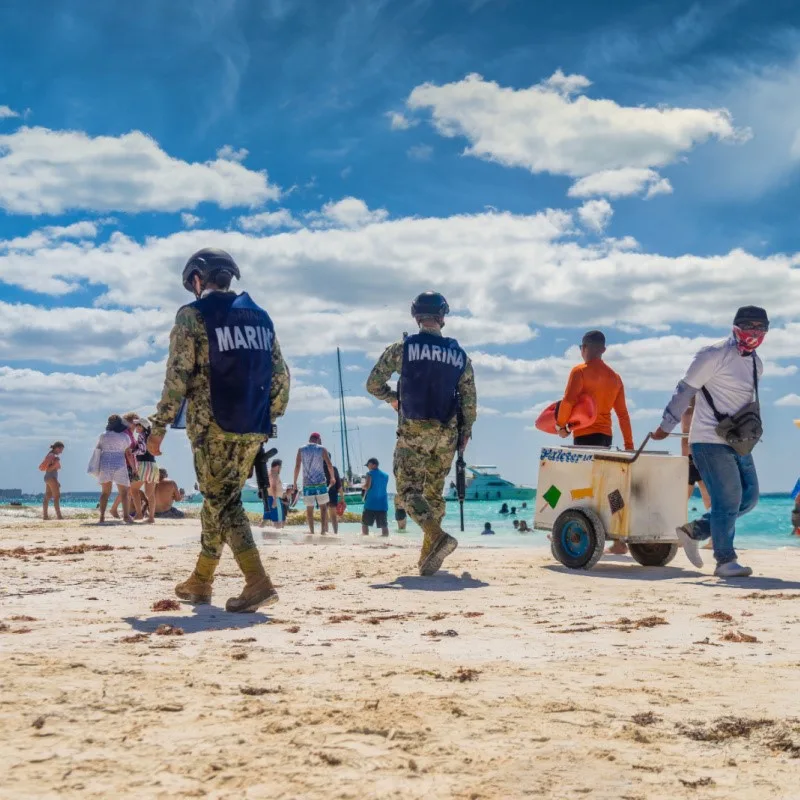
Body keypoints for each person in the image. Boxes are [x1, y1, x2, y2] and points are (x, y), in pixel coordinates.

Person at [148, 248, 290, 612]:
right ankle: (201, 579)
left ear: (197, 279)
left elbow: (177, 376)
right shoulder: (260, 317)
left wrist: (159, 425)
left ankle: (257, 581)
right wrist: (268, 418)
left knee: (223, 501)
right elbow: (281, 376)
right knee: (219, 499)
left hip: (213, 427)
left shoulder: (193, 315)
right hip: (254, 425)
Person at [652, 306, 768, 578]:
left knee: (749, 498)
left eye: (762, 328)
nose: (755, 333)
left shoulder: (755, 363)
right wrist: (666, 426)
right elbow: (684, 391)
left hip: (738, 441)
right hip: (707, 439)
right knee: (728, 498)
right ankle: (725, 560)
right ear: (736, 326)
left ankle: (695, 531)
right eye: (750, 326)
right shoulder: (713, 354)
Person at [367, 291, 477, 576]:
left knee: (407, 491)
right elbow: (468, 399)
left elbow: (373, 383)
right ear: (443, 317)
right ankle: (429, 556)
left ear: (416, 316)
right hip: (447, 432)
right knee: (434, 494)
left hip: (414, 428)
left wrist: (393, 398)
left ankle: (437, 538)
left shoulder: (403, 348)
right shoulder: (459, 354)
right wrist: (465, 432)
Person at [557, 329, 634, 555]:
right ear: (603, 349)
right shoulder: (615, 378)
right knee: (607, 488)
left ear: (584, 348)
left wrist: (561, 426)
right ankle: (619, 540)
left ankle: (573, 528)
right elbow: (623, 415)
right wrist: (629, 446)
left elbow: (569, 401)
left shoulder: (579, 371)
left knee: (578, 486)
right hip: (605, 437)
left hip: (584, 436)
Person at [94, 415, 133, 525]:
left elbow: (99, 448)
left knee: (105, 493)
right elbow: (127, 450)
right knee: (124, 492)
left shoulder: (103, 436)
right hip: (119, 463)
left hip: (105, 463)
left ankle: (101, 517)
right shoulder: (125, 436)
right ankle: (126, 516)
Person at [293, 433, 336, 535]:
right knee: (323, 507)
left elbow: (297, 466)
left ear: (309, 439)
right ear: (318, 439)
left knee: (309, 508)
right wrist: (333, 477)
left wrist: (294, 481)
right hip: (320, 482)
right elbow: (329, 464)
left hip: (307, 483)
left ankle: (312, 531)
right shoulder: (322, 449)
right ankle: (322, 531)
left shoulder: (301, 449)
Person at [130, 418, 158, 524]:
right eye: (136, 425)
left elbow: (142, 450)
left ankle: (139, 514)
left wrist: (132, 451)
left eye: (139, 425)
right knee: (150, 494)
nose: (137, 427)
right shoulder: (150, 436)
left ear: (144, 427)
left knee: (133, 489)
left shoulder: (141, 435)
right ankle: (151, 518)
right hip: (153, 465)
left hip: (143, 465)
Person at [361, 458, 390, 537]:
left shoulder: (370, 473)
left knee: (365, 524)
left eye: (368, 465)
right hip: (382, 504)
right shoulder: (386, 476)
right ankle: (385, 541)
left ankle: (365, 539)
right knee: (384, 526)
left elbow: (367, 486)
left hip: (371, 503)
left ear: (374, 465)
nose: (368, 467)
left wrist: (362, 486)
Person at [39, 441, 65, 521]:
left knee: (48, 496)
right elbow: (49, 469)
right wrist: (56, 462)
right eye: (61, 449)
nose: (61, 451)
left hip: (49, 477)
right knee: (56, 496)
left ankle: (45, 516)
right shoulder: (51, 456)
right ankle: (59, 516)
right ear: (57, 448)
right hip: (51, 477)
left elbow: (49, 469)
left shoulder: (51, 455)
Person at [262, 458, 289, 529]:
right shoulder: (274, 474)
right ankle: (278, 539)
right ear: (277, 466)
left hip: (268, 499)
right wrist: (274, 500)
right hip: (275, 499)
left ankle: (260, 535)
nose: (281, 469)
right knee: (280, 522)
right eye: (281, 467)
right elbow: (273, 486)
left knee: (265, 520)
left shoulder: (269, 473)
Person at [324, 457, 342, 534]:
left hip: (322, 493)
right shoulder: (334, 468)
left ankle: (325, 532)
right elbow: (338, 483)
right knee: (333, 516)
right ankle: (335, 533)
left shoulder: (319, 468)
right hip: (333, 493)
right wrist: (342, 497)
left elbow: (338, 483)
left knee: (324, 515)